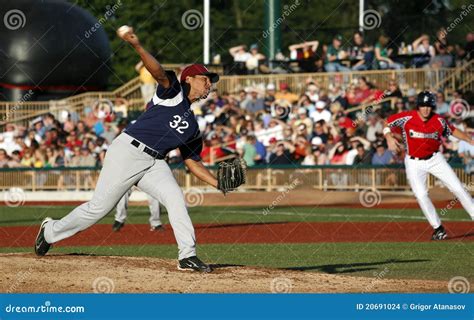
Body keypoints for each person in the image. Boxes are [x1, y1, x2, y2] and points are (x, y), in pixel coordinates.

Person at [34, 26, 226, 273]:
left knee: (176, 199)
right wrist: (136, 45)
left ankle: (187, 256)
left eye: (210, 81)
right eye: (205, 79)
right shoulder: (173, 92)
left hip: (155, 163)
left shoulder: (192, 127)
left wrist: (217, 183)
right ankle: (50, 231)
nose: (209, 84)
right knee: (98, 209)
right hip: (128, 152)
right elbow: (156, 71)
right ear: (188, 78)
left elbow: (193, 162)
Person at [383, 91, 474, 240]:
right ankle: (438, 228)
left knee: (458, 188)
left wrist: (469, 140)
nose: (425, 109)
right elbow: (387, 121)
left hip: (435, 159)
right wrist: (388, 137)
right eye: (422, 106)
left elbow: (452, 130)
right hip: (413, 162)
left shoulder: (438, 120)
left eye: (428, 106)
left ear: (433, 107)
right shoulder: (407, 117)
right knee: (421, 195)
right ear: (418, 106)